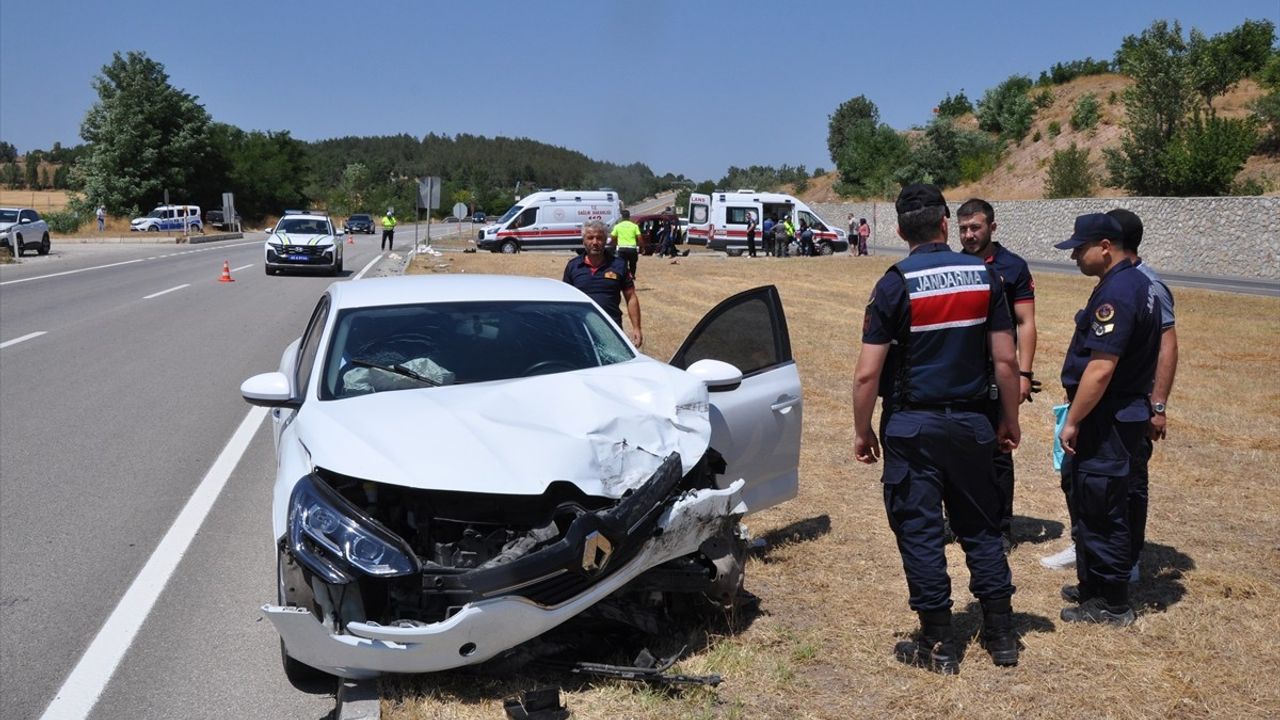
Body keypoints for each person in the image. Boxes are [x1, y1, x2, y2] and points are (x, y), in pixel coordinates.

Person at [853, 183, 1022, 674]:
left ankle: (938, 644)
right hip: (973, 423)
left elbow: (867, 374)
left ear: (900, 230)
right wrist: (1009, 419)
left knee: (921, 533)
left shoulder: (894, 284)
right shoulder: (986, 277)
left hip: (912, 426)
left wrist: (863, 430)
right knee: (982, 527)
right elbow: (1006, 361)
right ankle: (1002, 635)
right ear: (946, 223)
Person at [1041, 209, 1177, 582]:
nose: (1073, 256)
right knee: (1093, 497)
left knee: (1109, 501)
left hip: (1110, 415)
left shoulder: (1124, 289)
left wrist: (1073, 420)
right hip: (1111, 411)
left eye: (1079, 247)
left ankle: (1112, 593)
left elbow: (1102, 368)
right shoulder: (1128, 283)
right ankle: (1095, 582)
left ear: (1105, 246)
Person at [958, 199, 1038, 553]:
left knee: (999, 452)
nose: (969, 235)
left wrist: (1024, 373)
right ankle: (958, 520)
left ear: (992, 227)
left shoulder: (1013, 266)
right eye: (963, 229)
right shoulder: (954, 264)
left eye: (975, 227)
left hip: (998, 373)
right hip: (960, 372)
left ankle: (1000, 526)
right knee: (956, 449)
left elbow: (1026, 322)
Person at [564, 220, 643, 347]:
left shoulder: (619, 265)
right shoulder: (573, 266)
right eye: (590, 238)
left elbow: (631, 297)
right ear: (583, 241)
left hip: (611, 329)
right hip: (580, 331)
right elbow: (565, 301)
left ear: (606, 240)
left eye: (599, 238)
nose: (595, 242)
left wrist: (636, 328)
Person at [610, 209, 642, 278]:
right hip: (632, 248)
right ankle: (632, 275)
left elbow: (612, 237)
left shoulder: (617, 226)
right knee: (633, 264)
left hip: (622, 248)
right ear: (629, 216)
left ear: (622, 217)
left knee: (622, 263)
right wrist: (641, 246)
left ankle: (623, 276)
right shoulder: (634, 226)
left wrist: (615, 243)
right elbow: (639, 237)